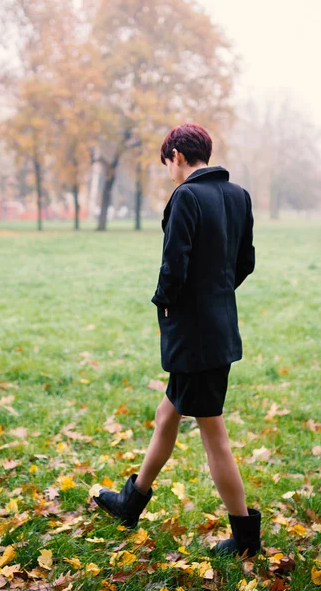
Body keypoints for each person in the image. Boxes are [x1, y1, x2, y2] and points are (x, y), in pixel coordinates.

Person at [93, 123, 260, 559]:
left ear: (177, 156)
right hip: (218, 328)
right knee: (167, 413)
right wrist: (217, 294)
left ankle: (245, 538)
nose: (168, 168)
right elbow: (246, 262)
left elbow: (175, 265)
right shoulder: (238, 196)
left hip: (195, 336)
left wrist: (165, 302)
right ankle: (131, 502)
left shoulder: (186, 195)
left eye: (167, 160)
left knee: (213, 433)